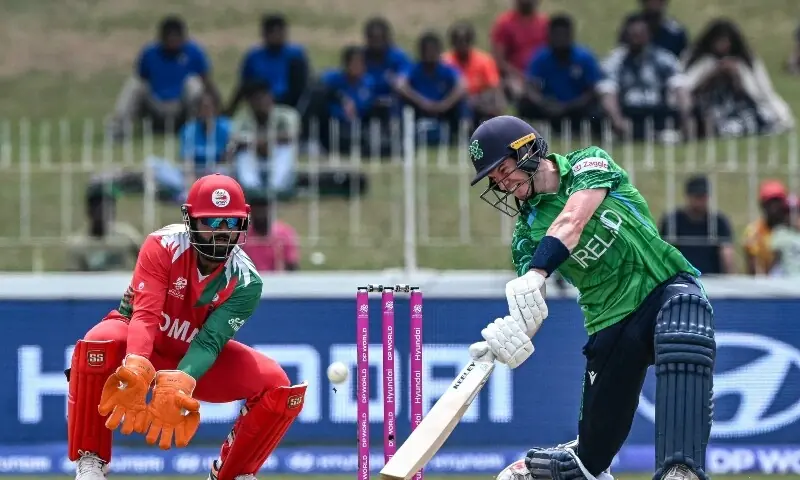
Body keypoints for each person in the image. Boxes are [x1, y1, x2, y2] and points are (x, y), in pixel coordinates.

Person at [465, 116, 715, 480]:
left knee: (684, 324)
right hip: (609, 322)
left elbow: (572, 220)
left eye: (503, 169)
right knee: (586, 465)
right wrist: (511, 335)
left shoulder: (588, 164)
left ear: (528, 149)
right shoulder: (525, 235)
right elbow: (531, 306)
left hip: (663, 286)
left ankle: (681, 470)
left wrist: (538, 272)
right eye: (494, 179)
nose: (502, 183)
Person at [66, 174, 306, 480]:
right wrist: (138, 365)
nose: (222, 233)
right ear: (190, 219)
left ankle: (232, 473)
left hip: (191, 356)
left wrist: (182, 379)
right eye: (212, 222)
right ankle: (92, 461)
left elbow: (208, 343)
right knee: (96, 341)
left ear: (243, 224)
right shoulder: (161, 245)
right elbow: (145, 316)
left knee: (278, 385)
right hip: (140, 343)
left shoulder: (247, 281)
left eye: (230, 223)